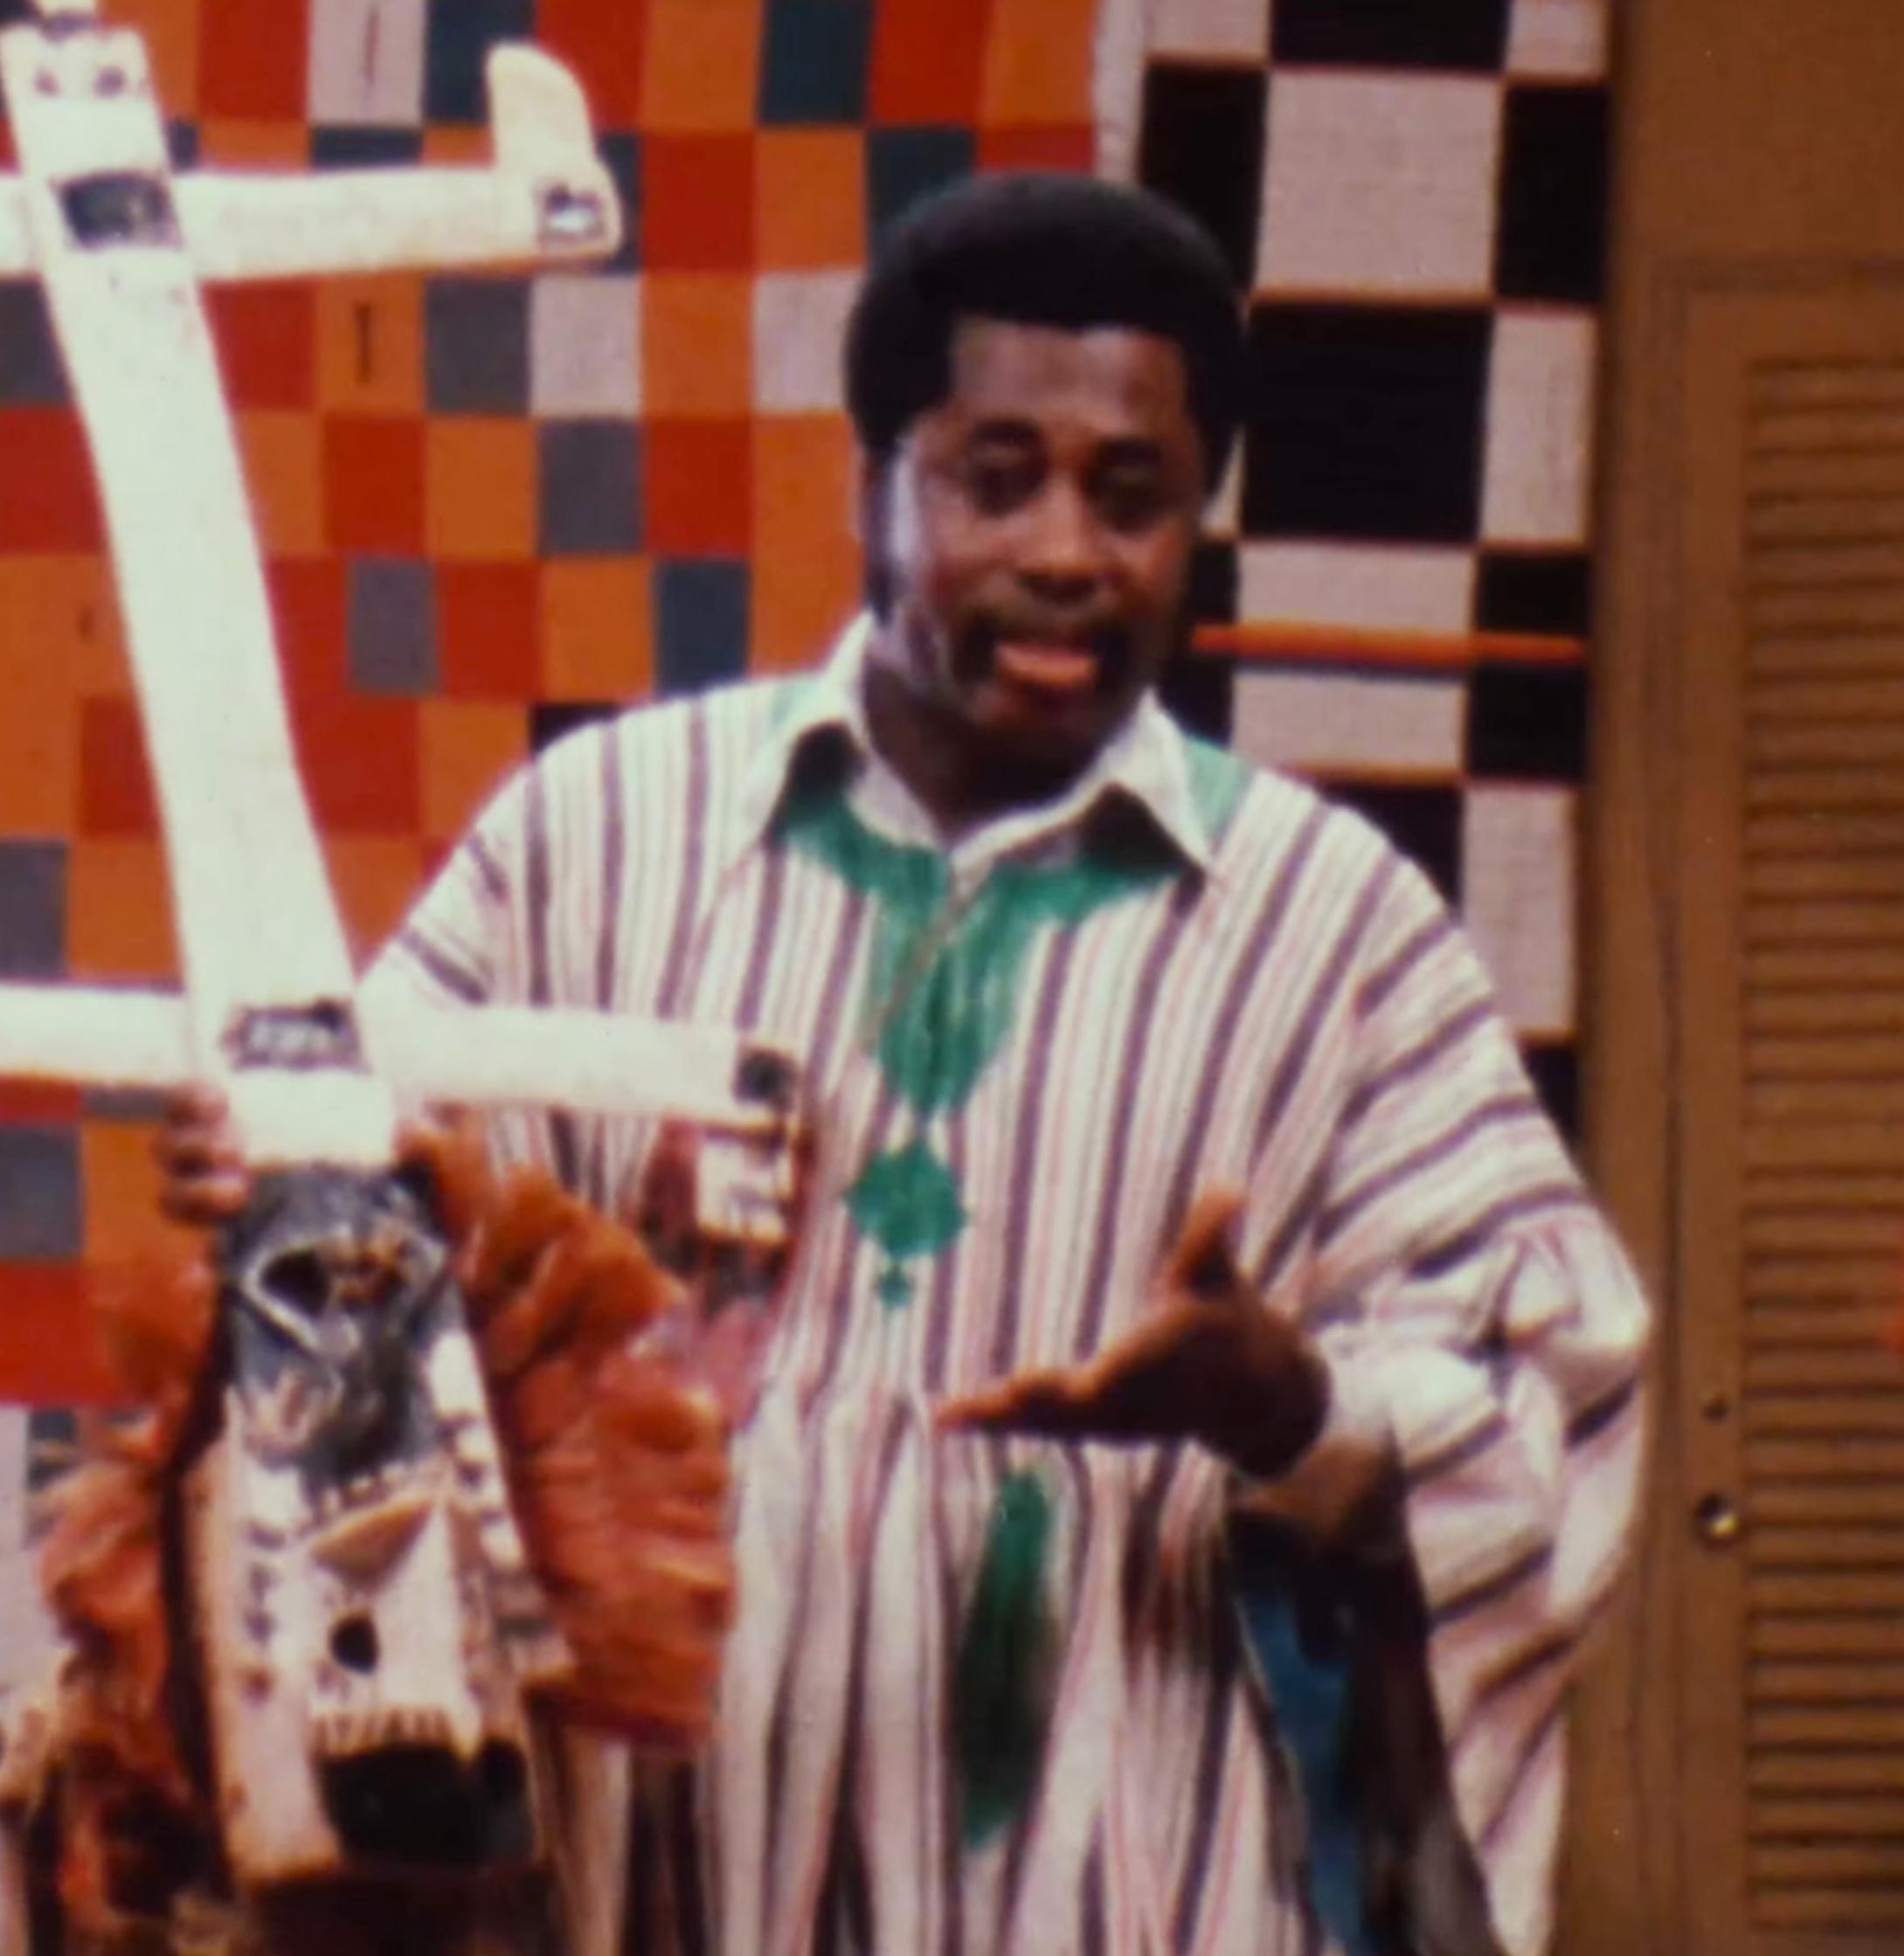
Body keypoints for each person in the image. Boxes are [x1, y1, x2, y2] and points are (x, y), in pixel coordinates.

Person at [158, 173, 1649, 1956]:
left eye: (1135, 494)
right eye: (994, 475)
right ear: (872, 479)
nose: (1068, 553)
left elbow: (1559, 1396)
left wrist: (1281, 1402)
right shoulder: (602, 838)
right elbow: (363, 1235)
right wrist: (280, 1193)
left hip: (1122, 1886)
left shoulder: (1335, 932)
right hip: (653, 1874)